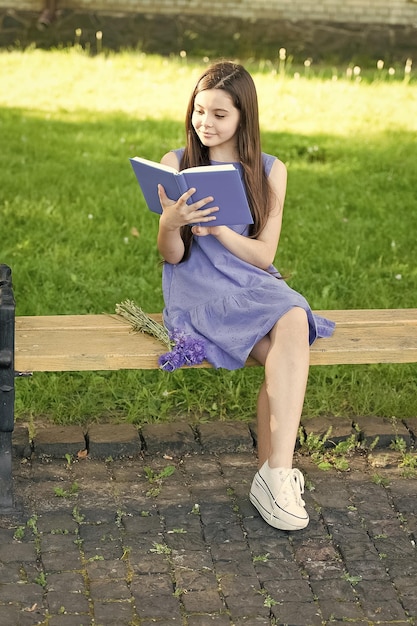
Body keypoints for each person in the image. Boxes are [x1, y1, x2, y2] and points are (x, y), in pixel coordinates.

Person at [156, 60, 335, 531]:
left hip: (252, 283)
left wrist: (217, 229)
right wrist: (168, 224)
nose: (205, 123)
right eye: (199, 111)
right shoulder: (178, 164)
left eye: (220, 114)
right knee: (287, 337)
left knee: (292, 320)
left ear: (243, 118)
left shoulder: (271, 171)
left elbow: (263, 254)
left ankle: (274, 474)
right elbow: (172, 257)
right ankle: (277, 476)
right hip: (199, 291)